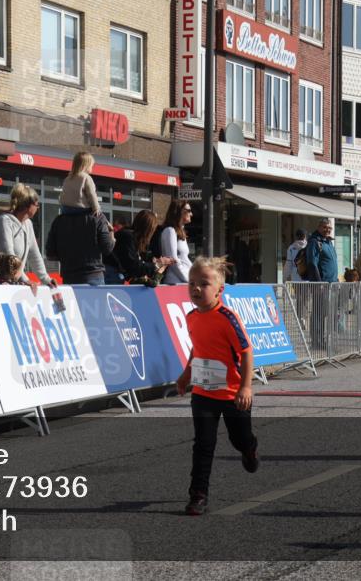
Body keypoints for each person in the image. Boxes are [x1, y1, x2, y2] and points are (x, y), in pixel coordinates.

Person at [175, 256, 258, 516]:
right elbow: (197, 350)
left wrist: (246, 387)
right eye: (191, 283)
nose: (196, 288)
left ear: (219, 290)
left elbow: (246, 352)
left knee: (239, 438)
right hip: (203, 391)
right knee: (203, 444)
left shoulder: (227, 318)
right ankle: (198, 495)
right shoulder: (191, 318)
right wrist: (185, 375)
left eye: (204, 283)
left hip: (233, 394)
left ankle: (249, 449)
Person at [0, 184, 55, 294]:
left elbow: (34, 255)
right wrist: (25, 280)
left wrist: (46, 279)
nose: (38, 207)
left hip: (8, 282)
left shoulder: (28, 224)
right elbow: (9, 256)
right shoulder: (4, 222)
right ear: (28, 206)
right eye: (36, 204)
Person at [45, 206, 116, 285]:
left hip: (69, 277)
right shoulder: (98, 217)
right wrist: (111, 231)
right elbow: (107, 249)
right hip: (93, 276)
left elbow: (50, 254)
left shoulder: (58, 220)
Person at [107, 210, 174, 285]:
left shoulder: (132, 237)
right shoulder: (128, 237)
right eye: (153, 230)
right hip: (113, 277)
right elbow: (134, 267)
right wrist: (158, 264)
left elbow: (138, 260)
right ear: (148, 229)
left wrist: (153, 260)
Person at [160, 200, 193, 284]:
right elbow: (172, 260)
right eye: (188, 211)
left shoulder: (180, 232)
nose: (191, 214)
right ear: (179, 211)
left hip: (183, 281)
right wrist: (188, 279)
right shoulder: (170, 231)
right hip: (175, 281)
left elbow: (184, 259)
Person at [59, 151, 100, 215]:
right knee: (100, 216)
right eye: (91, 166)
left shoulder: (68, 178)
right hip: (80, 209)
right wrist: (96, 208)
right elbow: (92, 195)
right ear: (86, 166)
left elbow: (63, 193)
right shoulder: (86, 178)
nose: (92, 168)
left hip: (65, 209)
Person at [305, 218, 338, 283]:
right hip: (322, 284)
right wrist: (319, 283)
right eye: (325, 227)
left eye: (330, 228)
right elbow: (312, 264)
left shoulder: (329, 242)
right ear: (319, 228)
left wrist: (336, 279)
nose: (327, 230)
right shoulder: (314, 242)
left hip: (333, 283)